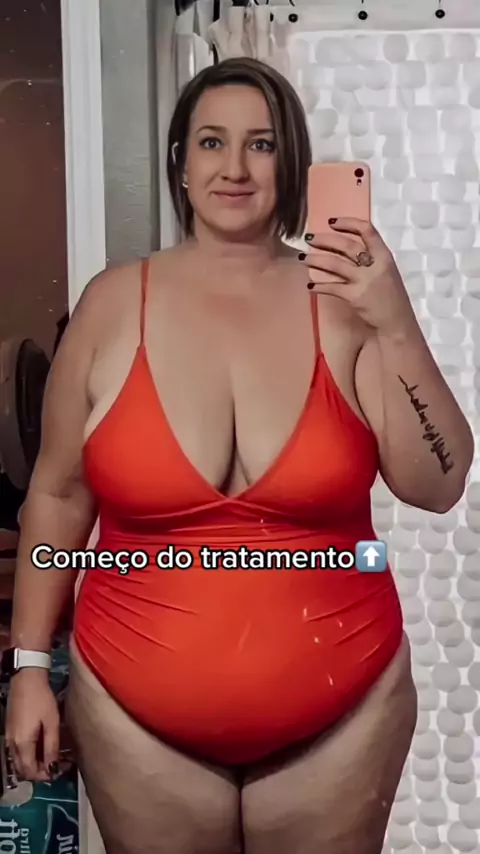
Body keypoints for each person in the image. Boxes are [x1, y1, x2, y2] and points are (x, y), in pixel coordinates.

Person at [4, 57, 473, 854]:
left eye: (261, 144)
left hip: (344, 720)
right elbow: (56, 496)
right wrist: (26, 668)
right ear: (181, 162)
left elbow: (439, 483)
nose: (235, 168)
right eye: (212, 141)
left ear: (292, 163)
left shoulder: (348, 307)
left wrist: (394, 321)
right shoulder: (110, 305)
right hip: (134, 720)